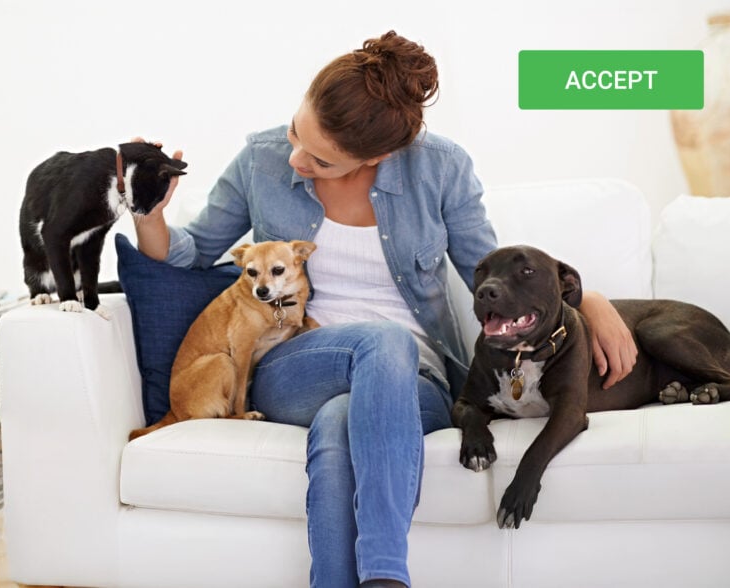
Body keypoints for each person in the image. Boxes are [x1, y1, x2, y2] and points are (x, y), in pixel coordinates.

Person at [135, 31, 637, 588]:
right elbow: (190, 253)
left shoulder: (441, 169)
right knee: (383, 340)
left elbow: (492, 272)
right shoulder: (261, 159)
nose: (296, 158)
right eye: (296, 132)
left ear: (376, 156)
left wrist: (587, 299)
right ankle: (387, 579)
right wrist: (147, 212)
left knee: (340, 421)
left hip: (414, 382)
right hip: (298, 363)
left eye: (320, 159)